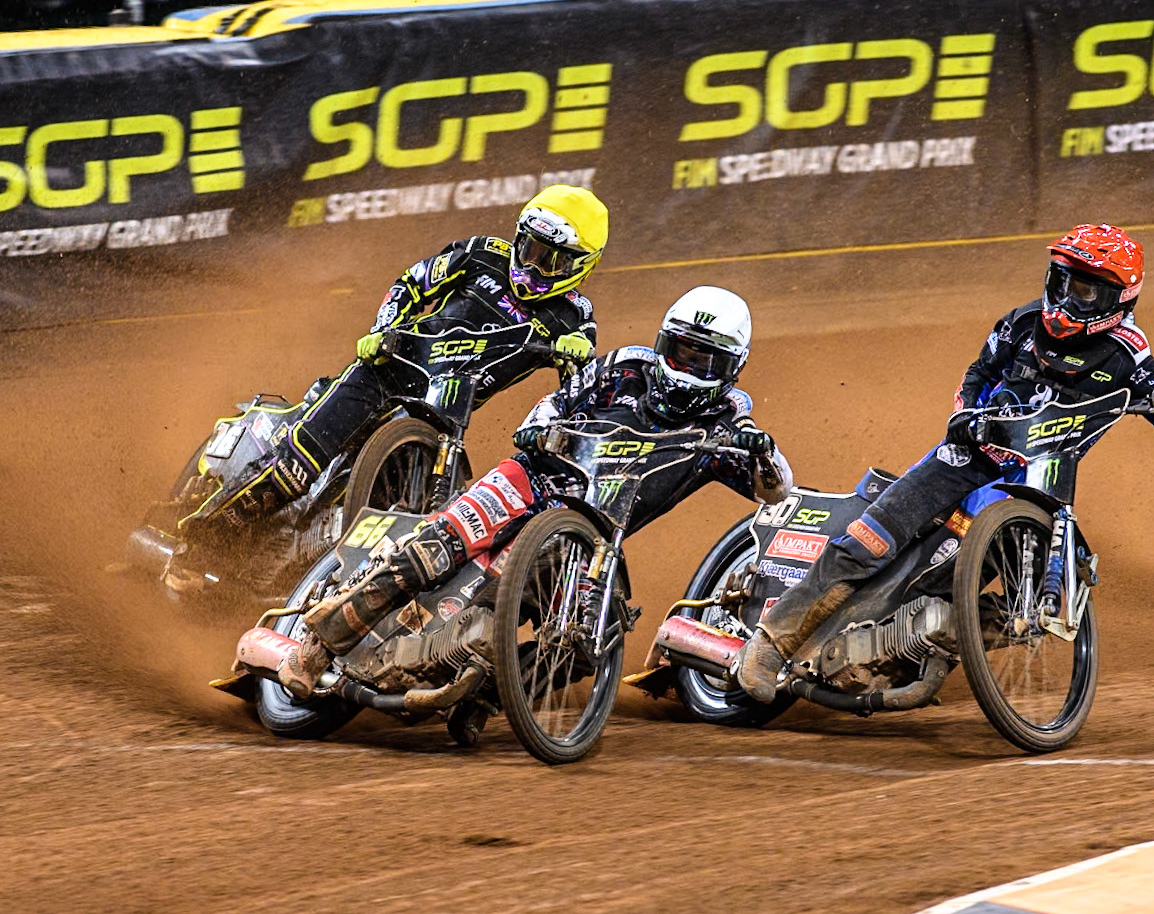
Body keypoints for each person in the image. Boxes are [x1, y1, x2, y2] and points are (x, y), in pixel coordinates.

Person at [734, 223, 1154, 704]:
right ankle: (769, 646)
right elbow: (978, 373)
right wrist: (964, 412)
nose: (1067, 298)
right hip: (971, 454)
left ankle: (917, 648)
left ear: (1118, 302)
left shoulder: (1131, 353)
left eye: (1085, 291)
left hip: (1039, 482)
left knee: (1043, 585)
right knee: (866, 544)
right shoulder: (1021, 323)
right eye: (1062, 281)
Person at [278, 286, 793, 696]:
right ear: (663, 343)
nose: (686, 369)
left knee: (591, 641)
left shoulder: (730, 423)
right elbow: (557, 401)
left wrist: (761, 451)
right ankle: (320, 644)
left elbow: (775, 490)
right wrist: (535, 429)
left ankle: (490, 694)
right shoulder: (625, 368)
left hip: (589, 537)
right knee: (439, 548)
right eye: (680, 352)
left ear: (732, 367)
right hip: (533, 477)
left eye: (704, 361)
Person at [220, 185, 608, 529]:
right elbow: (412, 283)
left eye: (550, 260)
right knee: (295, 468)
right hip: (388, 370)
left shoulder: (575, 316)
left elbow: (582, 392)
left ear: (581, 265)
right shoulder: (481, 253)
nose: (532, 265)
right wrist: (381, 330)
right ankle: (201, 539)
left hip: (442, 413)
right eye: (528, 248)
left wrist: (577, 356)